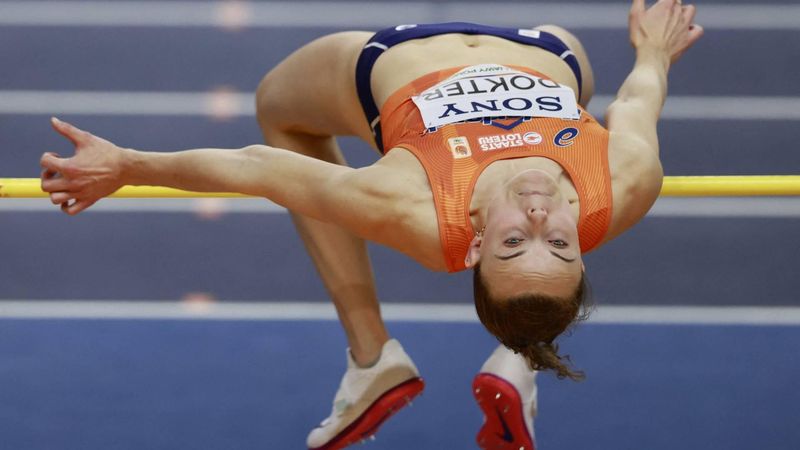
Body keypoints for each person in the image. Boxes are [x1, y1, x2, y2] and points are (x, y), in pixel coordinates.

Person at [40, 1, 702, 448]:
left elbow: (257, 167)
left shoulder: (410, 201)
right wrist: (654, 51)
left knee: (278, 105)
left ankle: (371, 355)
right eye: (557, 240)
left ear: (473, 242)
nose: (536, 215)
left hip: (389, 58)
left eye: (512, 240)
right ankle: (517, 353)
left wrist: (129, 164)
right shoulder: (623, 183)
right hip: (550, 50)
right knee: (578, 98)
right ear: (583, 243)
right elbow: (642, 96)